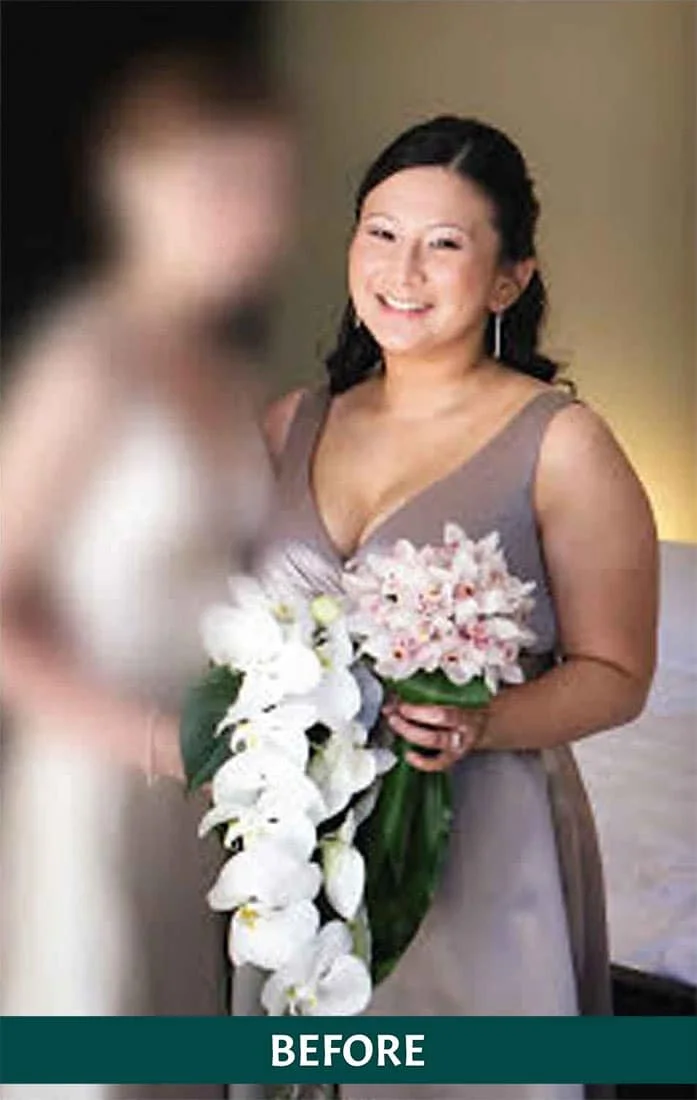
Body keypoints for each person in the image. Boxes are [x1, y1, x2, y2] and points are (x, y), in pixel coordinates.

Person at [257, 116, 658, 1100]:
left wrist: (483, 722)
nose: (402, 270)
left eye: (443, 243)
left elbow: (617, 673)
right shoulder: (289, 422)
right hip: (294, 835)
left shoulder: (563, 441)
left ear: (508, 279)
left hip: (478, 835)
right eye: (381, 232)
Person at [0, 43, 294, 1097]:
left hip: (205, 788)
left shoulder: (230, 374)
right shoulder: (85, 363)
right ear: (133, 188)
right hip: (99, 778)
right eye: (223, 184)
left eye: (270, 189)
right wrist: (150, 743)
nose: (254, 219)